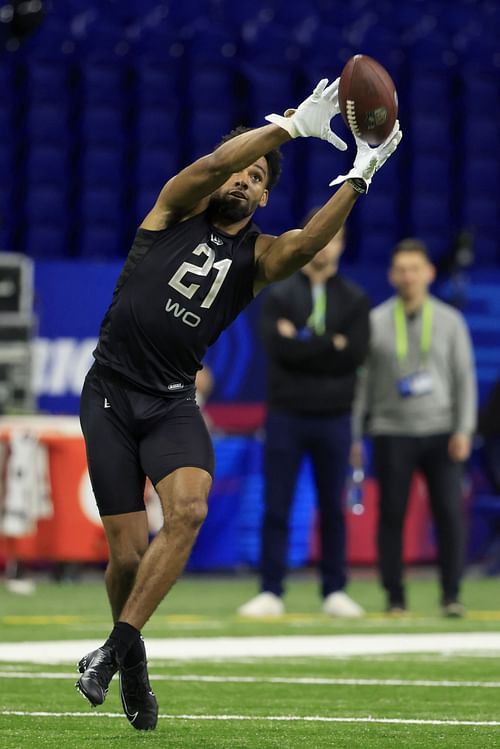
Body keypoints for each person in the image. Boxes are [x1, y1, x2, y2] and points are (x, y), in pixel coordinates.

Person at [76, 77, 402, 730]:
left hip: (171, 401)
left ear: (265, 199)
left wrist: (360, 174)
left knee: (189, 509)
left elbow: (306, 244)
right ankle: (132, 660)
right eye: (244, 170)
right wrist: (289, 127)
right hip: (110, 394)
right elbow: (213, 164)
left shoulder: (256, 257)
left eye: (260, 180)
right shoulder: (172, 208)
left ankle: (115, 649)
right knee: (127, 558)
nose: (247, 182)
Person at [238, 221, 370, 619]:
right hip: (286, 415)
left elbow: (355, 355)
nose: (325, 248)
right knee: (277, 504)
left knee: (333, 507)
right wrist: (330, 343)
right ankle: (271, 590)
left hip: (334, 417)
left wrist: (302, 342)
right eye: (321, 239)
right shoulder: (278, 294)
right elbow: (278, 351)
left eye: (334, 240)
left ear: (342, 246)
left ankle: (335, 589)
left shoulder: (355, 299)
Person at [351, 238, 476, 617]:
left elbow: (464, 379)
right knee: (391, 515)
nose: (408, 276)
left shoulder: (450, 321)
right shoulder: (375, 321)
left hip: (441, 429)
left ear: (429, 273)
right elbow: (363, 383)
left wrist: (463, 430)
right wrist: (356, 434)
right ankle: (395, 598)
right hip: (391, 430)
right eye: (401, 269)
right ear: (392, 275)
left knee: (449, 514)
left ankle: (451, 595)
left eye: (415, 269)